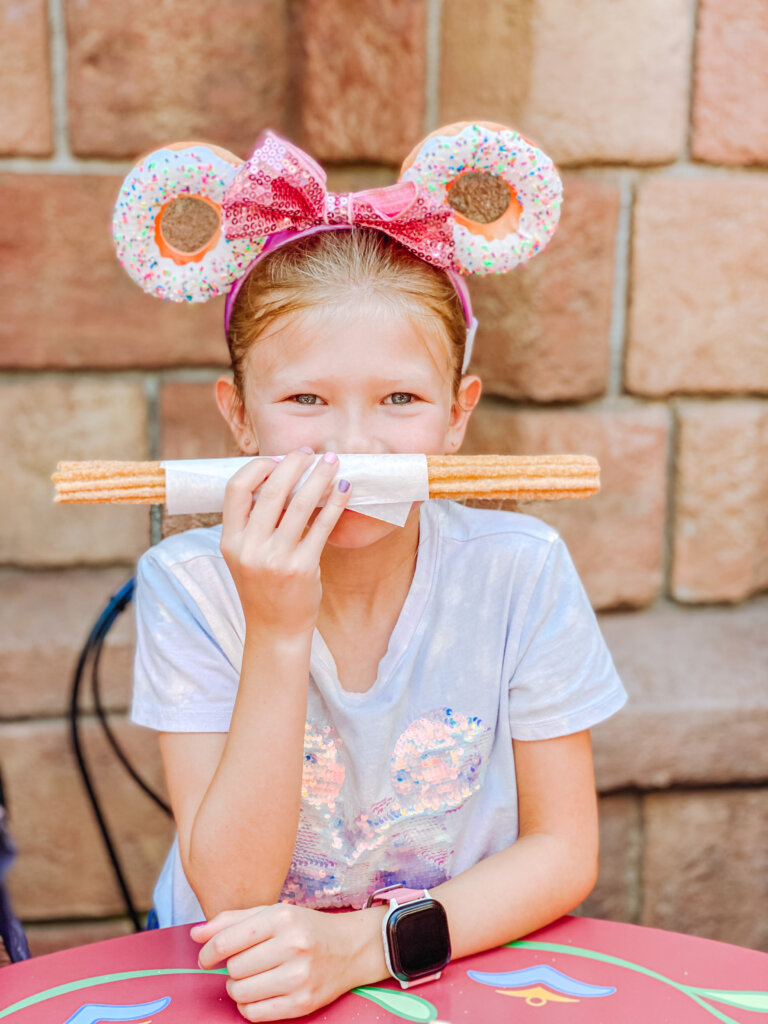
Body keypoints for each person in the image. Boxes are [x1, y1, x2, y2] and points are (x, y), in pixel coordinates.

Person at [127, 126, 627, 1022]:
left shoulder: (520, 570)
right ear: (239, 417)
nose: (352, 446)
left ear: (457, 417)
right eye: (305, 401)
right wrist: (277, 626)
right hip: (242, 981)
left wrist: (367, 946)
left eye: (400, 400)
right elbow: (234, 895)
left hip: (461, 965)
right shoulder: (188, 586)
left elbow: (564, 850)